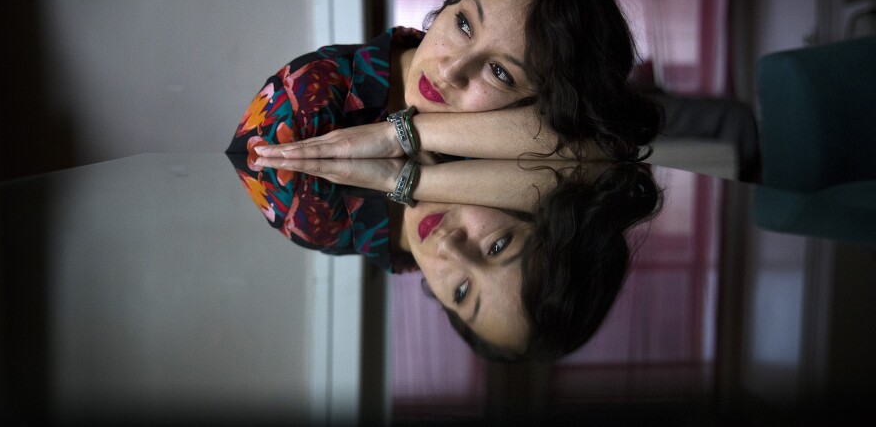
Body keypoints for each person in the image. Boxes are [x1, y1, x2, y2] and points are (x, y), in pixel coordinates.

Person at [228, 0, 661, 163]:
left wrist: (401, 135)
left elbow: (603, 146)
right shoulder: (304, 97)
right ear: (448, 3)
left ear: (536, 103)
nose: (452, 70)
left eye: (499, 72)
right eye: (464, 24)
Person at [250, 156, 662, 361]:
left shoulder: (322, 223)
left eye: (462, 291)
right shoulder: (469, 94)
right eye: (497, 247)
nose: (449, 250)